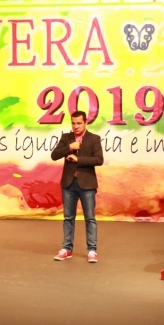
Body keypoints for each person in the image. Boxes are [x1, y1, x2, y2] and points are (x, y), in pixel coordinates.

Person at [50, 111, 104, 263]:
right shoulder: (66, 138)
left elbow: (99, 159)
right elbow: (54, 155)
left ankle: (92, 250)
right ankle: (67, 249)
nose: (76, 126)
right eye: (73, 123)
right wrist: (69, 147)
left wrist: (78, 159)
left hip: (87, 184)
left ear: (86, 123)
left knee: (90, 218)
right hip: (68, 184)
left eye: (79, 123)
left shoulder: (94, 139)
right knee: (68, 218)